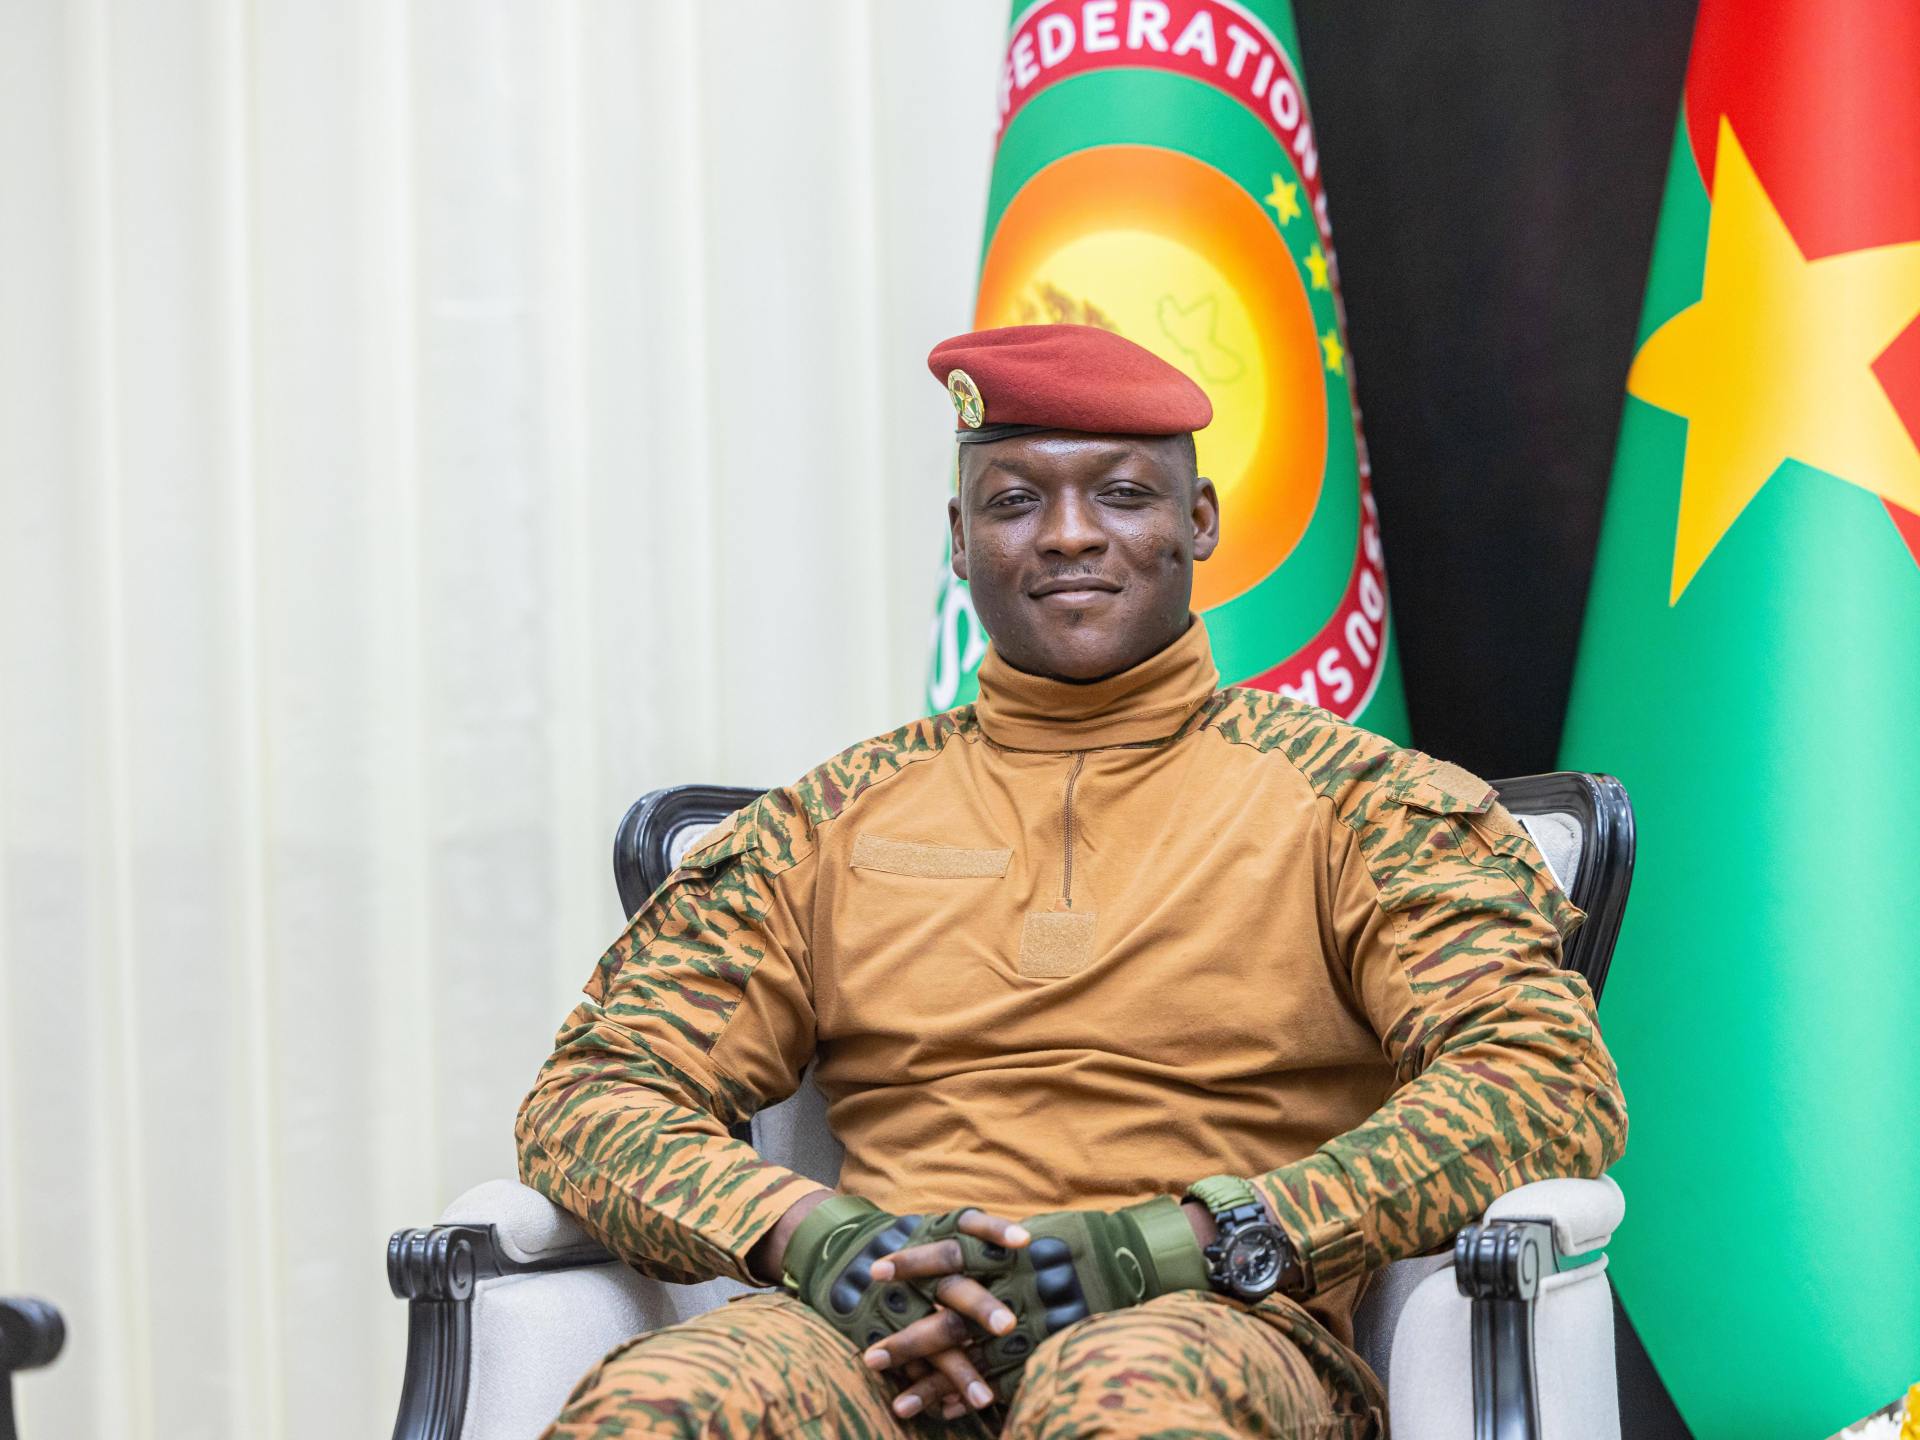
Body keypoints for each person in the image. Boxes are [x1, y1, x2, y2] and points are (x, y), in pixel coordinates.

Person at [516, 323, 1627, 1438]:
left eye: (1123, 494)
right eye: (1013, 502)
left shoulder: (1366, 808)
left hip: (1210, 1327)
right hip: (876, 1335)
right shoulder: (824, 825)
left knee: (1124, 1392)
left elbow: (1542, 1081)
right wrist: (818, 1239)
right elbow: (592, 1097)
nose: (1068, 535)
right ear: (961, 540)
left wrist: (1181, 1243)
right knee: (666, 1403)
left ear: (1199, 521)